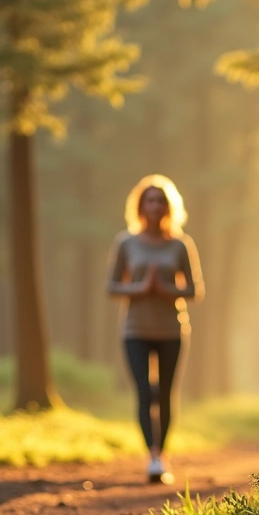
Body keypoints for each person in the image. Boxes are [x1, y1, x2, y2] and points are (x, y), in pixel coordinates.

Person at [106, 174, 204, 484]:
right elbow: (111, 286)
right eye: (149, 200)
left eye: (160, 200)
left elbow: (194, 290)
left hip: (171, 330)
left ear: (168, 207)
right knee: (143, 393)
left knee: (165, 393)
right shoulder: (126, 242)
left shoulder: (180, 244)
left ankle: (162, 455)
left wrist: (164, 289)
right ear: (140, 205)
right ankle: (151, 454)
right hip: (135, 329)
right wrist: (140, 288)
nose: (154, 205)